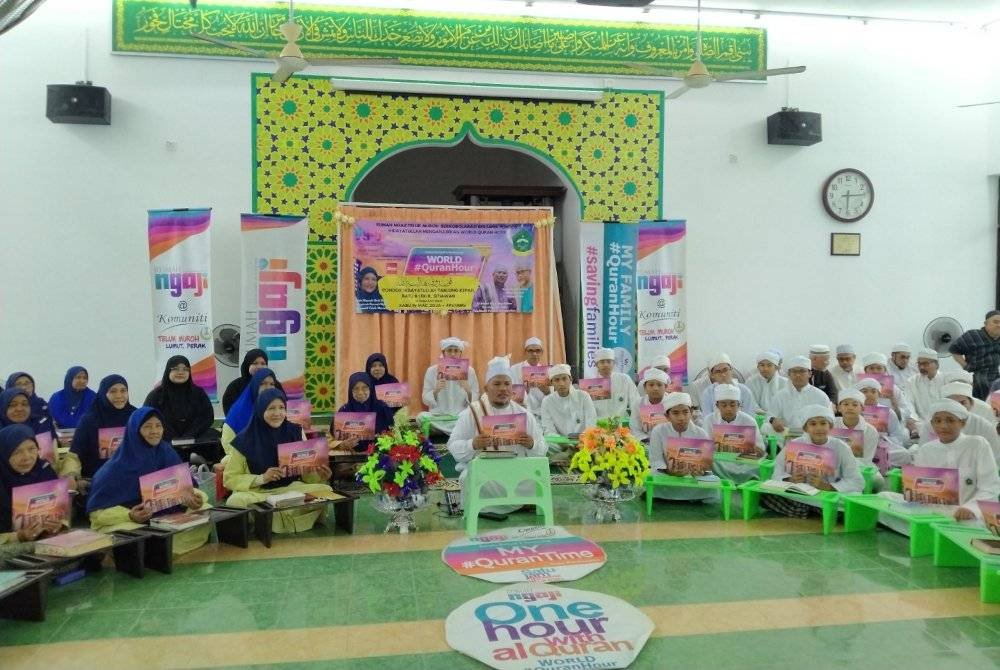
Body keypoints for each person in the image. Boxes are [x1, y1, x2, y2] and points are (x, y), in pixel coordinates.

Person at [86, 408, 211, 555]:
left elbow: (188, 488)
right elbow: (97, 514)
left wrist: (194, 498)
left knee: (206, 509)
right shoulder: (115, 468)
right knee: (132, 534)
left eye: (158, 426)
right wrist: (129, 515)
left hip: (167, 516)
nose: (154, 431)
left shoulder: (167, 453)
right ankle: (153, 551)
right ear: (134, 431)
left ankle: (158, 550)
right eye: (147, 427)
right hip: (133, 521)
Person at [446, 356, 547, 520]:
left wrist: (532, 444)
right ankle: (498, 505)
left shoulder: (524, 414)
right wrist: (473, 444)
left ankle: (515, 502)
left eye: (507, 384)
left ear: (512, 387)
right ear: (486, 388)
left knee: (537, 478)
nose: (503, 389)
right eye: (497, 384)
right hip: (485, 472)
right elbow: (453, 445)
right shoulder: (472, 413)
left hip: (517, 470)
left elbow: (543, 447)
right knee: (468, 478)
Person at [224, 388, 334, 533]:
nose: (277, 413)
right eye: (271, 408)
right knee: (235, 501)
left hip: (289, 489)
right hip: (259, 493)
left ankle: (268, 520)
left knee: (325, 490)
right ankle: (291, 519)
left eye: (282, 407)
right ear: (260, 410)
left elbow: (306, 476)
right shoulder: (244, 440)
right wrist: (262, 478)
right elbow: (230, 478)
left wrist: (320, 476)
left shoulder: (295, 431)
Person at [763, 405, 864, 518]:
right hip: (800, 492)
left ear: (830, 426)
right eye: (813, 424)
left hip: (827, 494)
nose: (819, 428)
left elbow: (856, 481)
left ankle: (805, 509)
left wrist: (827, 487)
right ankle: (816, 510)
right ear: (806, 428)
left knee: (852, 502)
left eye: (823, 423)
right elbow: (777, 470)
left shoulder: (841, 447)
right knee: (764, 493)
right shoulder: (796, 444)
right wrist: (790, 479)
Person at [911, 399, 1000, 521]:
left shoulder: (977, 444)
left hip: (973, 514)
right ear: (932, 424)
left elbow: (990, 486)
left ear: (962, 423)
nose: (943, 426)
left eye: (950, 420)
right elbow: (921, 488)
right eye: (938, 421)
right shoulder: (926, 450)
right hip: (935, 513)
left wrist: (971, 508)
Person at [0, 424, 67, 544]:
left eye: (32, 449)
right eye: (16, 452)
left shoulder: (44, 470)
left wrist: (59, 525)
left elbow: (62, 514)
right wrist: (18, 537)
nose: (26, 457)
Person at [646, 392, 716, 502]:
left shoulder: (701, 433)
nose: (681, 418)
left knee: (712, 487)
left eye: (685, 412)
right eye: (675, 413)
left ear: (691, 413)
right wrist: (669, 471)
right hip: (667, 476)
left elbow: (707, 465)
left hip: (692, 478)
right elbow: (655, 460)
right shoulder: (658, 431)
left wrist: (700, 471)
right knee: (651, 479)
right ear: (667, 416)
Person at [67, 375, 136, 482]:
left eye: (123, 391)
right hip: (97, 480)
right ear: (103, 393)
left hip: (131, 477)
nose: (119, 396)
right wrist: (71, 476)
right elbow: (75, 454)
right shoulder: (89, 420)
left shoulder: (135, 416)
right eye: (113, 391)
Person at [917, 382, 1000, 460]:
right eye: (952, 403)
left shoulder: (984, 426)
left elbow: (994, 457)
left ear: (971, 404)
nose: (958, 407)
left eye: (962, 403)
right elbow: (923, 454)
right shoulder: (931, 425)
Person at [143, 355, 216, 442]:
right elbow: (149, 418)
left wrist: (188, 436)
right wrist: (174, 439)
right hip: (164, 441)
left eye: (185, 369)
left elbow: (207, 417)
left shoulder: (198, 393)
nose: (181, 372)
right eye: (175, 369)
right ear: (168, 371)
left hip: (194, 439)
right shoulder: (156, 395)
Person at [705, 384, 765, 484]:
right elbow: (705, 448)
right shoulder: (709, 420)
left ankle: (742, 482)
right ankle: (723, 482)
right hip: (720, 462)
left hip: (743, 462)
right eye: (724, 405)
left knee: (758, 465)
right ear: (717, 406)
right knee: (710, 462)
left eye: (732, 405)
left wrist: (754, 449)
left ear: (739, 405)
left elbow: (761, 450)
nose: (728, 408)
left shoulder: (749, 420)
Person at [421, 337, 480, 435]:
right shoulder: (432, 371)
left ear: (460, 353)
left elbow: (475, 399)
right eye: (449, 350)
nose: (453, 354)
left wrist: (468, 390)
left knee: (475, 417)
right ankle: (457, 432)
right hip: (439, 417)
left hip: (460, 416)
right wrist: (436, 390)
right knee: (421, 417)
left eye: (456, 351)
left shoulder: (470, 371)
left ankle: (446, 431)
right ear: (443, 352)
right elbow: (425, 399)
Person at [221, 368, 281, 458]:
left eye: (272, 384)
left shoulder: (276, 408)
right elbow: (234, 455)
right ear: (255, 385)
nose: (268, 387)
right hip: (241, 458)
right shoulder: (240, 413)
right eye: (263, 384)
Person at [333, 372, 398, 452]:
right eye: (356, 388)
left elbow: (393, 433)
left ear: (370, 389)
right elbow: (333, 438)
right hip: (351, 456)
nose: (360, 392)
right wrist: (342, 444)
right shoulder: (344, 410)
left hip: (379, 455)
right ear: (350, 391)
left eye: (364, 388)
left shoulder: (382, 408)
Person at [834, 389, 884, 491]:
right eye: (846, 404)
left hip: (859, 465)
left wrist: (847, 465)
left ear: (862, 408)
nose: (850, 408)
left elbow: (866, 459)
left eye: (855, 405)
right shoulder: (832, 425)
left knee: (878, 481)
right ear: (839, 408)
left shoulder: (870, 431)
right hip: (833, 464)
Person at [768, 356, 831, 434]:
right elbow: (770, 416)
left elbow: (829, 420)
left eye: (802, 371)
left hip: (813, 436)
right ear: (789, 374)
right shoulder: (780, 396)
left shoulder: (821, 396)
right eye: (794, 371)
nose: (798, 375)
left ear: (810, 374)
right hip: (786, 435)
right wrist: (773, 420)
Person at [860, 352, 917, 438]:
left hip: (889, 428)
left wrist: (893, 401)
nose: (875, 371)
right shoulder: (858, 388)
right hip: (864, 427)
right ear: (865, 371)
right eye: (871, 368)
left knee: (903, 435)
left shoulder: (894, 389)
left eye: (879, 368)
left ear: (884, 371)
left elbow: (905, 412)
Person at [950, 310, 1000, 400]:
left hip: (994, 374)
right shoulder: (972, 335)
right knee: (983, 390)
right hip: (976, 374)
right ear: (986, 323)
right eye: (995, 322)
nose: (999, 325)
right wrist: (965, 366)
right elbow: (953, 349)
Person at [540, 364, 597, 438]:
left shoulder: (583, 396)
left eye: (564, 378)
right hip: (559, 443)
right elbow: (549, 430)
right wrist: (563, 442)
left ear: (570, 380)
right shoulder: (547, 402)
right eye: (557, 380)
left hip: (584, 441)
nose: (561, 383)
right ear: (552, 383)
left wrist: (583, 440)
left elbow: (591, 423)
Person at [856, 378, 911, 449]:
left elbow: (897, 436)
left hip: (883, 446)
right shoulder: (854, 411)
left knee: (902, 453)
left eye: (873, 392)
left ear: (879, 394)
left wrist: (882, 441)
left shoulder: (889, 412)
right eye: (865, 391)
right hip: (861, 446)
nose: (869, 394)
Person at [591, 347, 640, 420]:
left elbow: (635, 402)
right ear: (596, 364)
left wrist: (636, 421)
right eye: (602, 362)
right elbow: (588, 409)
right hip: (599, 424)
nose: (606, 365)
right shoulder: (591, 384)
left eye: (608, 361)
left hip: (621, 423)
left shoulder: (624, 379)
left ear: (613, 363)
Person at [509, 337, 551, 422]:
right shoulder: (514, 369)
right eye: (530, 351)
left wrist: (547, 392)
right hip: (521, 412)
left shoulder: (548, 371)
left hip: (542, 413)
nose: (534, 354)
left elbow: (553, 398)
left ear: (542, 352)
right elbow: (510, 395)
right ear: (525, 352)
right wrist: (524, 392)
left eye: (538, 351)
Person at [48, 366, 96, 430]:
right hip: (60, 434)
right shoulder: (57, 398)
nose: (82, 381)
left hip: (86, 433)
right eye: (78, 377)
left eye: (85, 378)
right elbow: (51, 419)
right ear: (69, 379)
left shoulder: (92, 397)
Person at [221, 349, 268, 415]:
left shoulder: (274, 384)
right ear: (247, 365)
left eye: (263, 363)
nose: (259, 367)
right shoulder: (235, 386)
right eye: (255, 363)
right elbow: (230, 412)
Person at [905, 348, 944, 423]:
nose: (921, 367)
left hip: (944, 422)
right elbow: (909, 403)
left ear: (937, 365)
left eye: (925, 363)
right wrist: (913, 419)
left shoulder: (945, 380)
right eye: (919, 364)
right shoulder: (911, 382)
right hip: (921, 423)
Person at [629, 368, 669, 442]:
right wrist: (646, 439)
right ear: (645, 387)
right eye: (651, 385)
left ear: (665, 387)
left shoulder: (672, 403)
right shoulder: (638, 403)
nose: (655, 388)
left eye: (659, 385)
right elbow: (635, 427)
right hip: (645, 442)